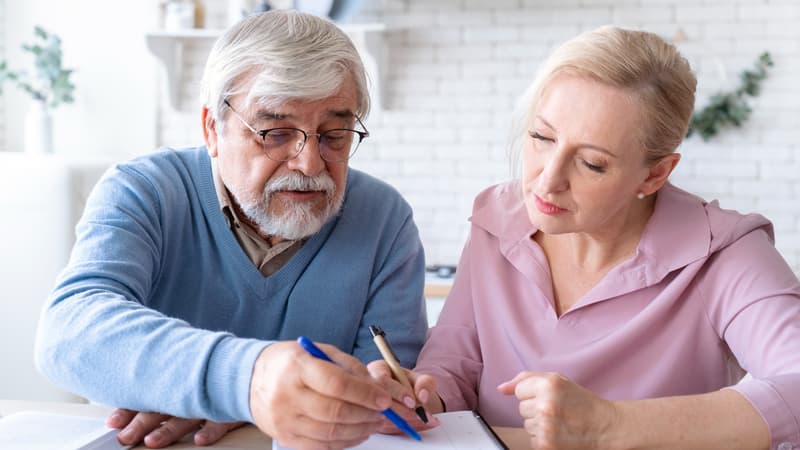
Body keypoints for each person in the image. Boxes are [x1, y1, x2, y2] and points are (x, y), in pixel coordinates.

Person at [370, 26, 800, 449]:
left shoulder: (724, 253)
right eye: (541, 137)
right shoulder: (495, 223)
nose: (548, 180)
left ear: (655, 174)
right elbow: (454, 360)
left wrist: (609, 426)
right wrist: (424, 397)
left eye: (592, 163)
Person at [34, 10, 428, 450]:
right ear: (212, 129)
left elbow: (383, 394)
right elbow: (69, 333)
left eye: (334, 134)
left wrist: (208, 395)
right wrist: (246, 384)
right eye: (276, 132)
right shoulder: (145, 189)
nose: (310, 164)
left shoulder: (385, 219)